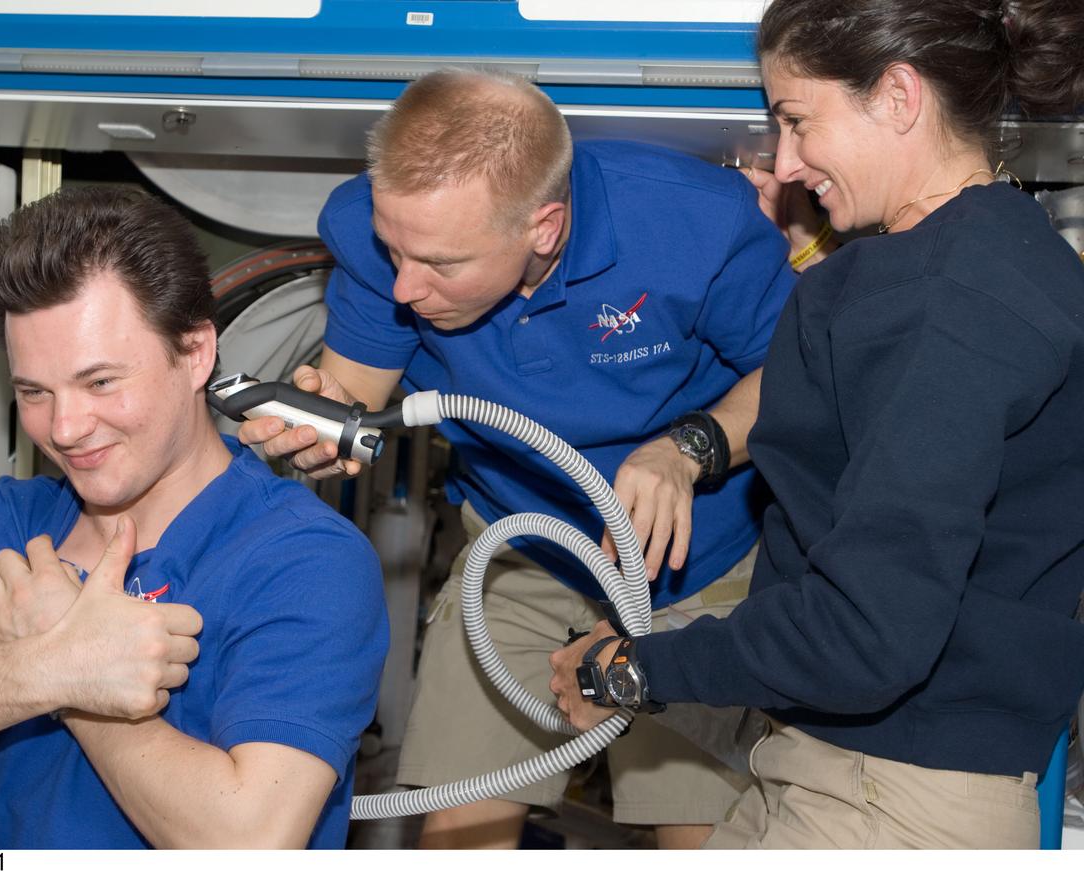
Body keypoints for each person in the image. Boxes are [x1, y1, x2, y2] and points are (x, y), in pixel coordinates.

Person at [551, 0, 1084, 849]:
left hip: (901, 800)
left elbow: (868, 632)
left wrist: (641, 670)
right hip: (824, 766)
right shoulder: (909, 271)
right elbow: (834, 566)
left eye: (798, 121)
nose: (788, 160)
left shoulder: (963, 302)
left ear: (899, 97)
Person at [238, 68, 796, 848]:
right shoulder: (379, 234)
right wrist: (317, 432)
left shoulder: (693, 224)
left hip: (691, 557)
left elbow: (803, 376)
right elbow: (350, 392)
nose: (404, 288)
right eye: (393, 250)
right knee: (458, 832)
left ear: (544, 227)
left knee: (697, 834)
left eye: (439, 264)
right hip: (518, 545)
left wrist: (688, 448)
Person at [0, 187, 389, 849]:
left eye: (101, 382)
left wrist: (78, 686)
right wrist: (46, 667)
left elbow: (250, 840)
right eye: (34, 392)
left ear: (195, 351)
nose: (66, 427)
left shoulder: (304, 558)